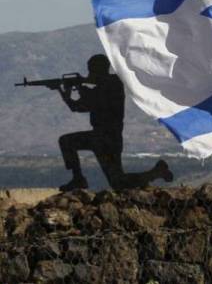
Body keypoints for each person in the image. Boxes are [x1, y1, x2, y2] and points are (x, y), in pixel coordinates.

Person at [58, 54, 173, 191]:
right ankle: (156, 173)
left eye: (91, 70)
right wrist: (66, 95)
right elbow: (78, 107)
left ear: (98, 70)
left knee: (67, 141)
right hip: (103, 138)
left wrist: (80, 87)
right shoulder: (105, 85)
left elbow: (93, 100)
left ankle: (78, 179)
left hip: (107, 138)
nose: (89, 74)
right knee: (118, 182)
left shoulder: (112, 83)